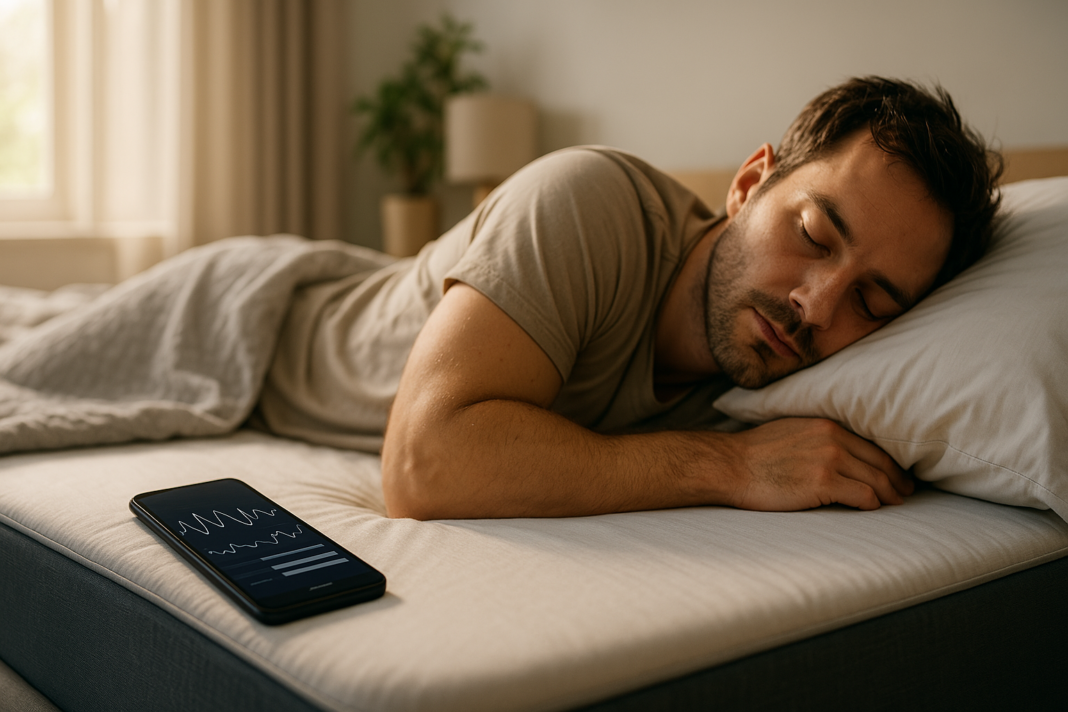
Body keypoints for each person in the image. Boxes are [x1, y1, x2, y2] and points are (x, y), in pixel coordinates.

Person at [371, 76, 1002, 520]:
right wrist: (731, 466)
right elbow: (423, 464)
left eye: (873, 301)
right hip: (283, 317)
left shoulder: (819, 389)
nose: (817, 306)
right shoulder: (586, 202)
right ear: (750, 184)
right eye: (812, 234)